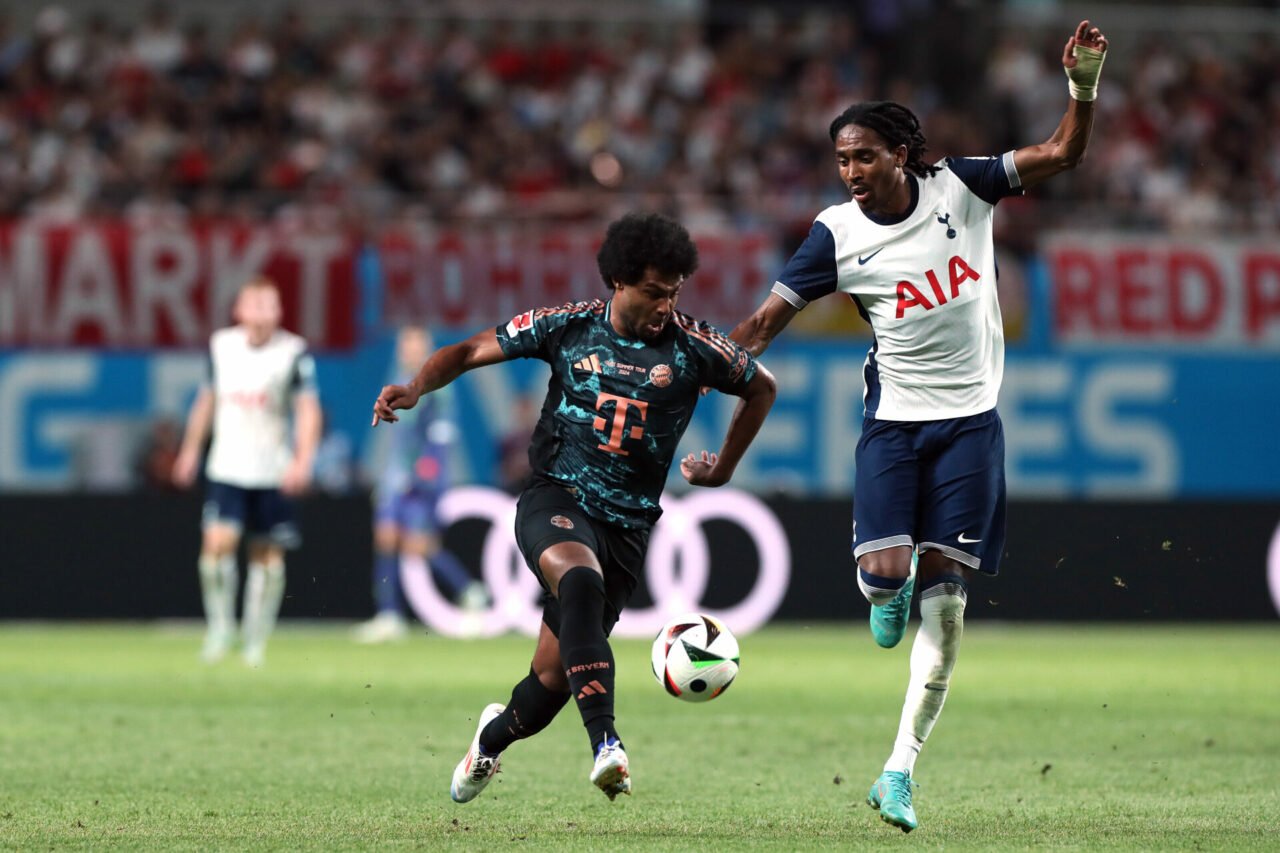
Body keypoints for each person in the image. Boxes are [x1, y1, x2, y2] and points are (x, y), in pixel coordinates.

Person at [725, 20, 1108, 834]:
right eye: (842, 160)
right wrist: (704, 363)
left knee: (948, 607)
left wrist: (1083, 83)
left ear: (902, 152)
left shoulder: (964, 189)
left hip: (970, 426)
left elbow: (1062, 154)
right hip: (894, 427)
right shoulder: (836, 234)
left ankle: (898, 771)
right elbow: (764, 322)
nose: (853, 172)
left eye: (865, 155)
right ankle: (880, 589)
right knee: (886, 578)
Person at [371, 212, 776, 802]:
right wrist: (415, 387)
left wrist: (724, 467)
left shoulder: (694, 347)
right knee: (579, 582)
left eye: (674, 292)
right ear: (618, 281)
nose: (666, 305)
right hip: (555, 496)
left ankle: (490, 739)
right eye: (654, 292)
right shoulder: (568, 326)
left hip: (629, 525)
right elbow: (467, 350)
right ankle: (606, 745)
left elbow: (762, 385)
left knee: (551, 680)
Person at [173, 276, 322, 667]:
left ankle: (255, 640)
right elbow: (206, 401)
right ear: (239, 310)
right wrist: (189, 451)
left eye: (267, 305)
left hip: (272, 469)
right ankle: (220, 629)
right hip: (227, 465)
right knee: (215, 549)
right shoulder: (221, 347)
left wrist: (303, 459)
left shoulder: (293, 352)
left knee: (267, 559)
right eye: (252, 305)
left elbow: (308, 409)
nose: (259, 314)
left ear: (279, 312)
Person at [354, 325, 487, 644]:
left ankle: (469, 592)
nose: (409, 351)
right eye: (405, 345)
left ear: (425, 349)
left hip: (421, 480)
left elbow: (440, 436)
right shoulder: (399, 380)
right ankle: (389, 615)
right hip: (395, 477)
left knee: (418, 546)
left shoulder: (438, 386)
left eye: (415, 345)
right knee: (386, 537)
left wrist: (423, 473)